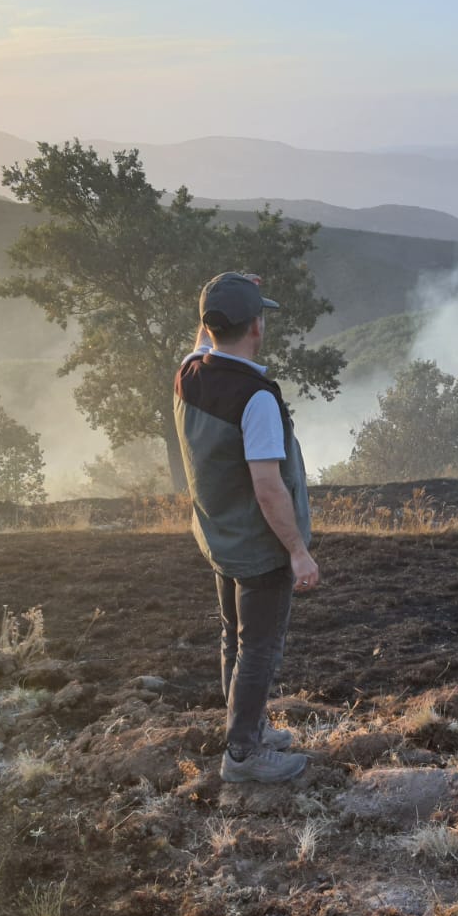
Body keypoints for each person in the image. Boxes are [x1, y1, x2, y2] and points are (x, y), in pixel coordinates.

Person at [174, 272, 317, 785]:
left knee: (233, 637)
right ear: (257, 326)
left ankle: (247, 725)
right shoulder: (256, 400)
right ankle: (242, 756)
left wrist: (221, 289)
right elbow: (268, 487)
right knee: (259, 646)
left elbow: (200, 344)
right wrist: (297, 551)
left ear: (210, 327)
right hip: (259, 549)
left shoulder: (190, 373)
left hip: (219, 536)